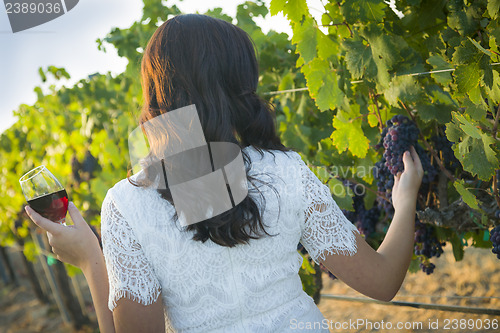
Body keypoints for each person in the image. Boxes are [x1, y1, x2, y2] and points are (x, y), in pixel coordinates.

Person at [25, 14, 424, 333]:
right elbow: (384, 281)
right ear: (236, 85)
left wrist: (89, 260)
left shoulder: (127, 203)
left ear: (156, 92)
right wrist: (404, 202)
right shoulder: (286, 170)